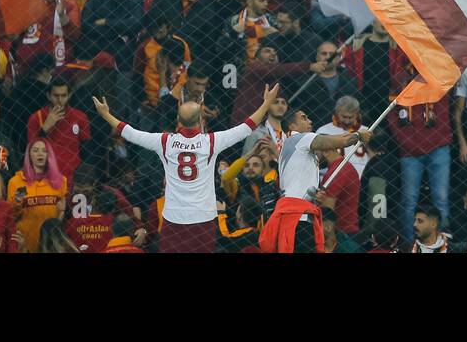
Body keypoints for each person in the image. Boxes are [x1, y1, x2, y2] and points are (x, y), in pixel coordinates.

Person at [91, 82, 280, 253]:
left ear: (178, 121)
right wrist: (266, 103)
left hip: (174, 218)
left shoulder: (164, 141)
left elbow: (130, 132)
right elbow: (247, 126)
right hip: (203, 218)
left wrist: (106, 114)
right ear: (200, 121)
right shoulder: (212, 141)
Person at [258, 106, 372, 253]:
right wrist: (359, 136)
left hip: (294, 217)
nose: (310, 121)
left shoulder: (292, 148)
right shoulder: (300, 138)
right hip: (299, 219)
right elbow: (342, 141)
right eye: (304, 118)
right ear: (292, 125)